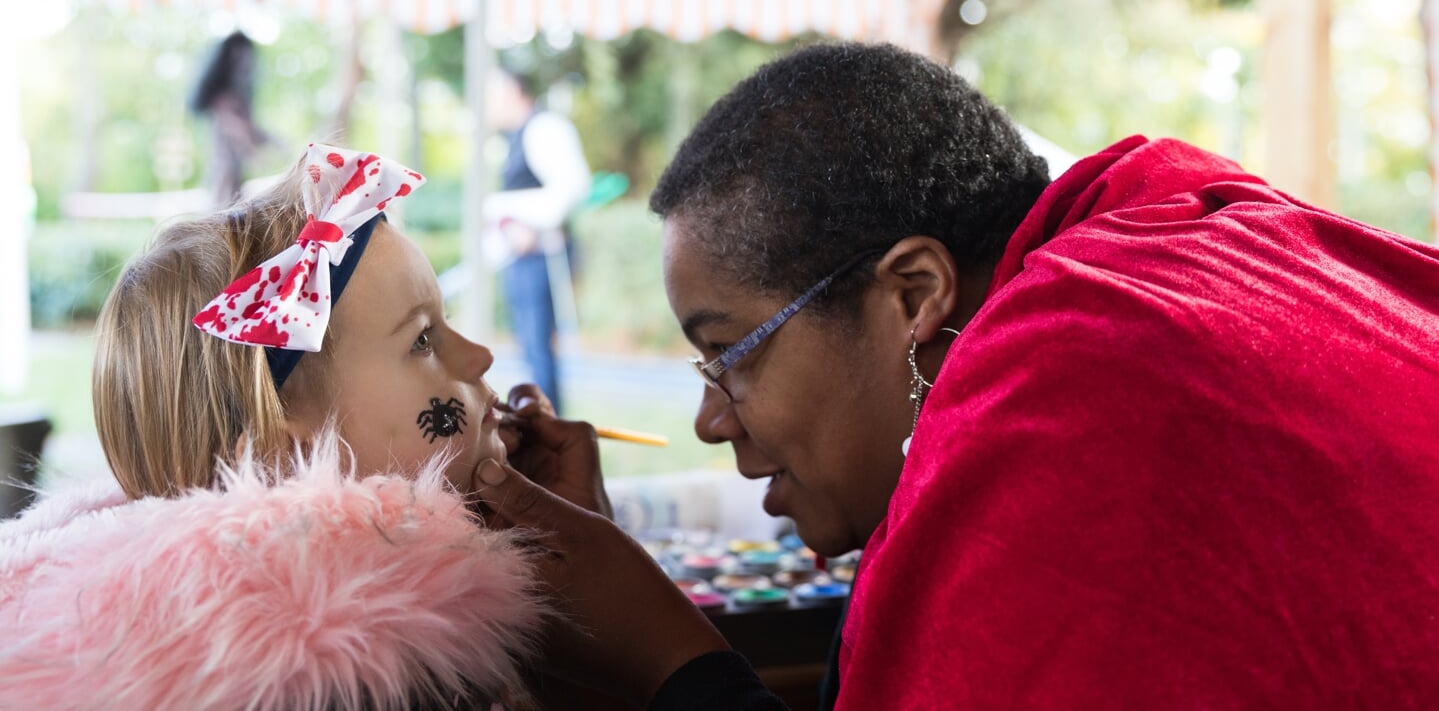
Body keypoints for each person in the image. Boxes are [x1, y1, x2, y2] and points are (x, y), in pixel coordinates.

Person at [475, 42, 1439, 709]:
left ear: (913, 293)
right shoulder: (1183, 244)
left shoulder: (1075, 393)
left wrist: (659, 648)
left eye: (728, 354)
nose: (708, 420)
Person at [0, 144, 556, 710]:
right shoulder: (358, 681)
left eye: (446, 322)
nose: (480, 356)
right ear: (284, 445)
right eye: (421, 340)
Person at [484, 66, 592, 413]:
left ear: (513, 91)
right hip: (521, 256)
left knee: (538, 348)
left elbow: (570, 188)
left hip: (541, 254)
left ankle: (550, 424)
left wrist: (530, 223)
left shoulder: (544, 128)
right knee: (531, 349)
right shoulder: (512, 137)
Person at [190, 30, 273, 207]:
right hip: (222, 168)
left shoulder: (240, 95)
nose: (244, 62)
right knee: (223, 205)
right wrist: (252, 151)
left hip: (236, 171)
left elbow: (250, 128)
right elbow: (231, 125)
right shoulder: (222, 96)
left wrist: (273, 141)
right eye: (239, 58)